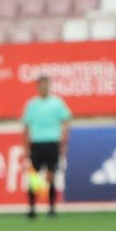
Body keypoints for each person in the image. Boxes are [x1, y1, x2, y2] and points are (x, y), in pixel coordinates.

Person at [21, 75, 71, 218]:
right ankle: (32, 209)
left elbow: (66, 121)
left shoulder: (57, 103)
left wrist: (64, 142)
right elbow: (26, 126)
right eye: (41, 84)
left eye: (46, 84)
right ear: (37, 87)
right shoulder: (32, 104)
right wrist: (26, 146)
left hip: (52, 143)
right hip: (37, 143)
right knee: (34, 177)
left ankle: (51, 208)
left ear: (49, 85)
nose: (43, 87)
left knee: (51, 176)